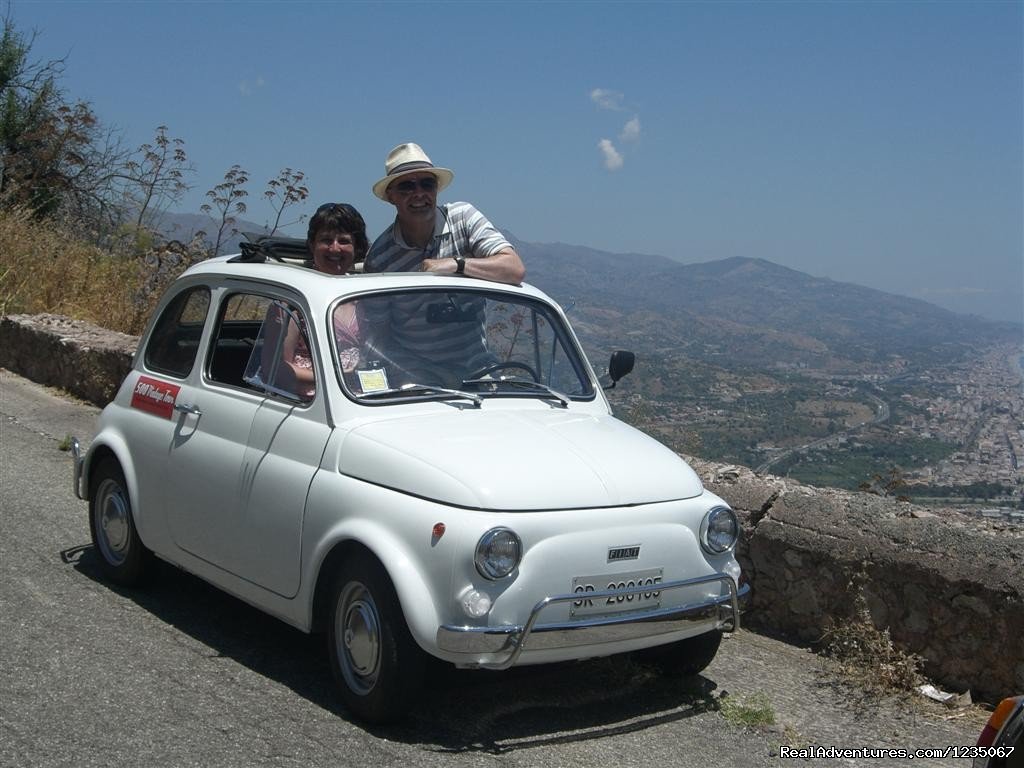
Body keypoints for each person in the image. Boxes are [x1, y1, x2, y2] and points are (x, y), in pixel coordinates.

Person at [364, 142, 525, 284]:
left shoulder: (463, 218)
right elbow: (378, 318)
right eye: (407, 186)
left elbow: (514, 268)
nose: (419, 193)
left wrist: (457, 265)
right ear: (391, 196)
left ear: (436, 189)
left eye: (427, 184)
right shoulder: (379, 257)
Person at [271, 203, 368, 398]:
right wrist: (336, 376)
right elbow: (276, 368)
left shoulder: (365, 297)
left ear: (356, 247)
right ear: (312, 245)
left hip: (360, 396)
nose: (335, 248)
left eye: (344, 241)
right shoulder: (292, 299)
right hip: (307, 401)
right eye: (326, 240)